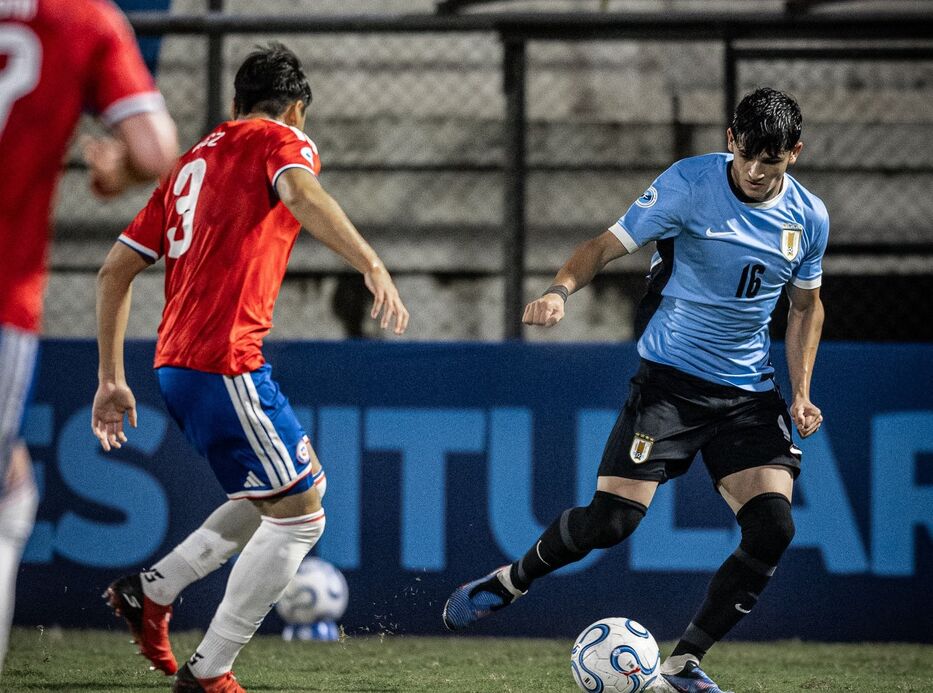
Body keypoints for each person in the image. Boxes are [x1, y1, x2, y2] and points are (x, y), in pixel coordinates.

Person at [443, 87, 827, 693]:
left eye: (771, 161)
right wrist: (558, 292)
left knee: (774, 528)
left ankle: (683, 663)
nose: (755, 171)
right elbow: (603, 245)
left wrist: (801, 390)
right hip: (670, 385)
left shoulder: (808, 217)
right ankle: (512, 580)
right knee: (612, 523)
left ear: (795, 154)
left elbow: (806, 307)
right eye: (748, 154)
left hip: (748, 393)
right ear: (731, 140)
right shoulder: (687, 184)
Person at [92, 43, 409, 693]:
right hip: (223, 360)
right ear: (295, 109)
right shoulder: (280, 141)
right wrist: (371, 262)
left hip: (174, 364)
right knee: (302, 514)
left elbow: (114, 269)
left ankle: (151, 590)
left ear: (233, 103)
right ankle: (209, 671)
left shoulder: (185, 165)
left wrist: (109, 377)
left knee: (281, 489)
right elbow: (298, 190)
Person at [0, 0, 177, 677]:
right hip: (5, 296)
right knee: (7, 496)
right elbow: (154, 150)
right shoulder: (82, 19)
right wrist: (118, 173)